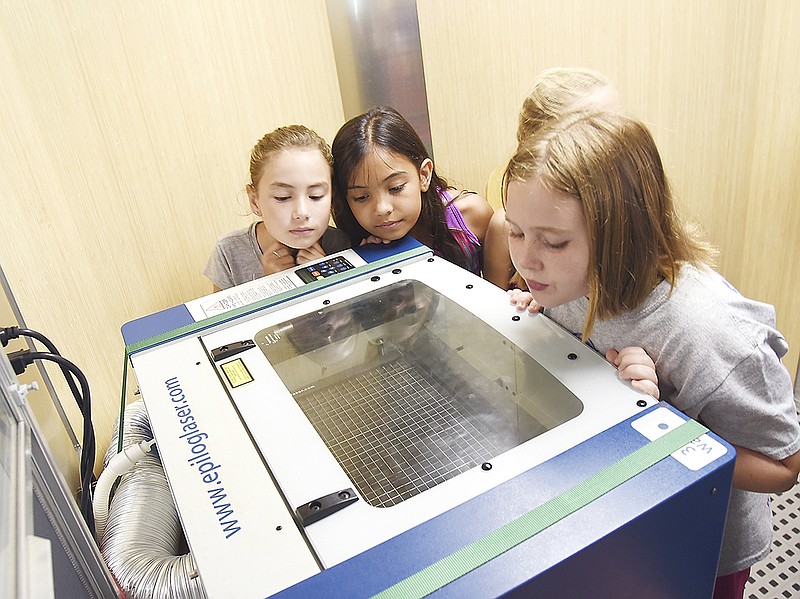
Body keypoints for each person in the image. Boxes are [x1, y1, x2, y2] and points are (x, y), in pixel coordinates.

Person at [504, 109, 800, 599]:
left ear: (619, 237)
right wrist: (542, 301)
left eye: (553, 242)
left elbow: (784, 466)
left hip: (705, 541)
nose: (525, 259)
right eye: (515, 231)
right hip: (623, 509)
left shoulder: (708, 334)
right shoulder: (561, 279)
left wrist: (665, 423)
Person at [484, 67, 623, 290]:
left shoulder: (630, 221)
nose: (623, 145)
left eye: (621, 126)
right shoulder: (504, 229)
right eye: (598, 131)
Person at [330, 106, 494, 277]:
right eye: (362, 197)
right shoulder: (348, 246)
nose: (382, 208)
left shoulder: (470, 215)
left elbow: (499, 295)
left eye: (395, 188)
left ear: (424, 175)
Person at [205, 125, 350, 291]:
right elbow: (224, 317)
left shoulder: (339, 244)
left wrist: (327, 280)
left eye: (315, 196)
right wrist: (271, 287)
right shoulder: (229, 252)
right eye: (283, 197)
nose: (301, 213)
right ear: (255, 201)